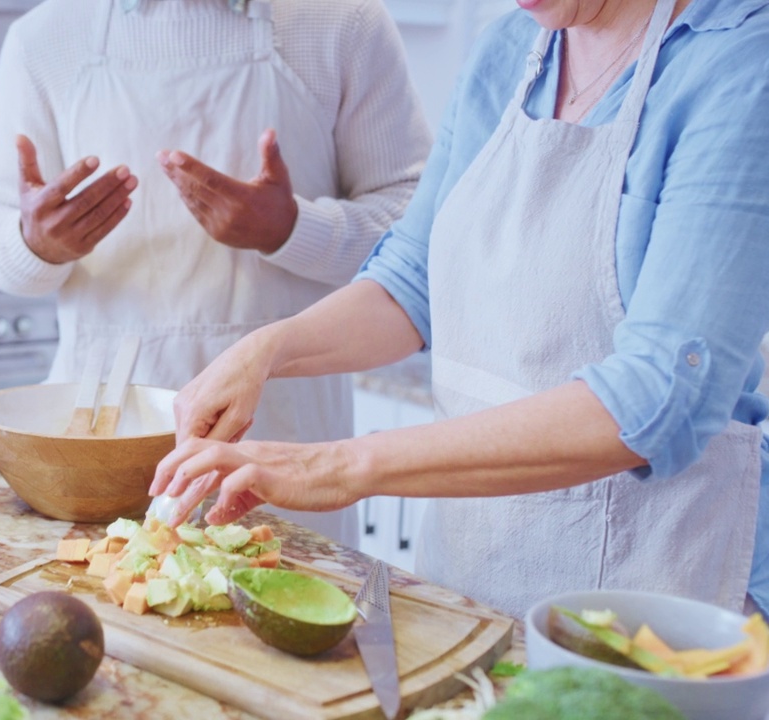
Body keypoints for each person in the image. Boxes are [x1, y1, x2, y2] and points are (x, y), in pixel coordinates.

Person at [150, 0, 769, 618]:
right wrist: (267, 350)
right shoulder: (510, 48)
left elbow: (661, 394)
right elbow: (412, 283)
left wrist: (340, 464)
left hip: (651, 593)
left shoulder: (740, 63)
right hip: (474, 569)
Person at [0, 0, 432, 545]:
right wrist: (34, 245)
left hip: (286, 441)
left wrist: (293, 229)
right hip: (98, 443)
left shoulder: (344, 23)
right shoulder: (46, 38)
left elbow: (419, 232)